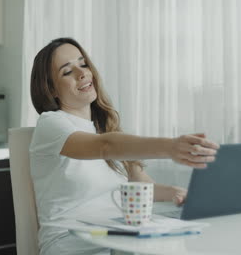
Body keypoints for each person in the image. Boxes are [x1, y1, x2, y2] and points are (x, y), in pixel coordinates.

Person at [30, 37, 219, 255]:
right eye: (67, 71)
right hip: (71, 243)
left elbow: (142, 188)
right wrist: (170, 147)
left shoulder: (107, 129)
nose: (82, 73)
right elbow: (105, 147)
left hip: (115, 239)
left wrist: (179, 193)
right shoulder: (51, 124)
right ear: (51, 89)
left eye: (83, 64)